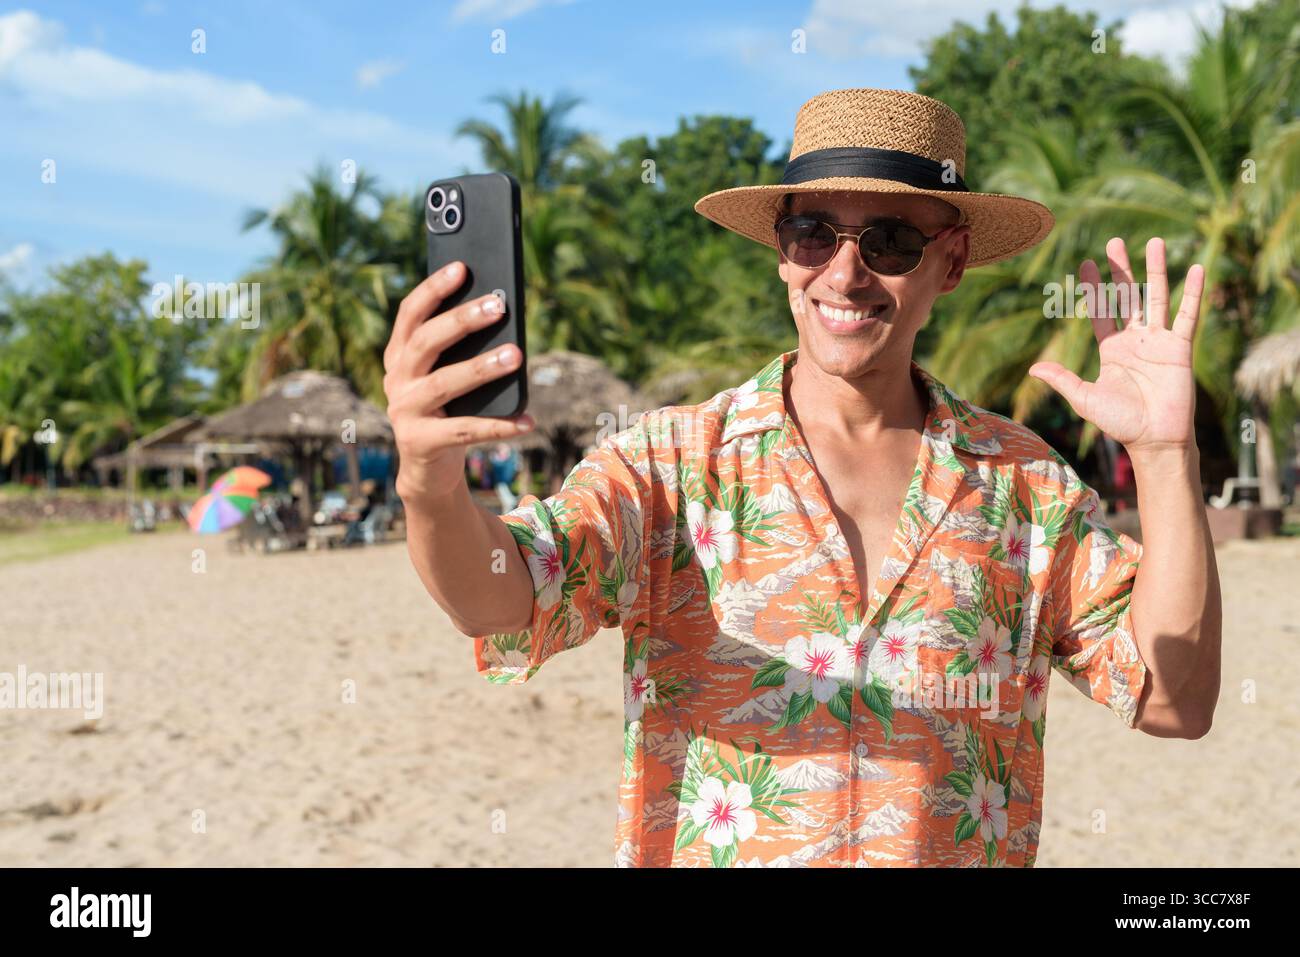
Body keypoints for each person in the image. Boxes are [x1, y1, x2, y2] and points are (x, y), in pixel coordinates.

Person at [383, 89, 1222, 868]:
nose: (845, 274)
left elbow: (1175, 701)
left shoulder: (1027, 489)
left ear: (953, 260)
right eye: (814, 233)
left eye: (891, 241)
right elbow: (502, 600)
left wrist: (1163, 456)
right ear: (783, 251)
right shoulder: (670, 463)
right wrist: (428, 479)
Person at [488, 443, 519, 512]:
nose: (505, 453)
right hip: (501, 483)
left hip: (506, 483)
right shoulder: (498, 461)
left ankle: (506, 518)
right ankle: (506, 519)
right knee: (509, 503)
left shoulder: (509, 460)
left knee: (509, 503)